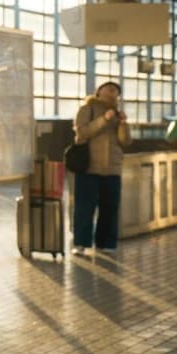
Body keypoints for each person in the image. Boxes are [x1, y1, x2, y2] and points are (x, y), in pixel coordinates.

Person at [71, 81, 132, 255]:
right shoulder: (87, 109)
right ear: (98, 92)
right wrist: (104, 120)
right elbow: (82, 132)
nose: (112, 93)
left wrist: (123, 124)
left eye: (115, 91)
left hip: (112, 168)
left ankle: (105, 243)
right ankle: (81, 243)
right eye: (108, 89)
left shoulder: (118, 115)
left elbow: (125, 142)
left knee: (110, 207)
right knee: (84, 207)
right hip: (89, 167)